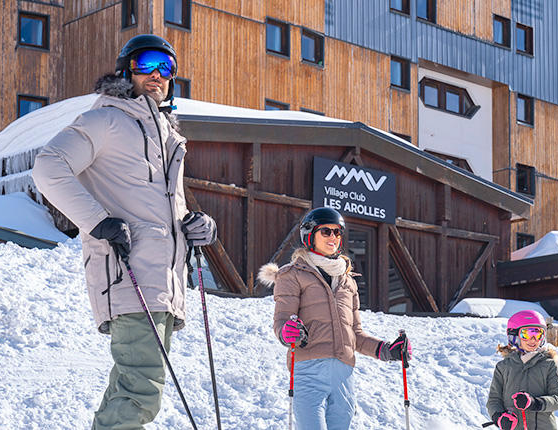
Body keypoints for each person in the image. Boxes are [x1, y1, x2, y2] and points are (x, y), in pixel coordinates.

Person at [32, 34, 217, 430]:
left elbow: (168, 207)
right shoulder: (106, 119)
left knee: (129, 388)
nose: (156, 74)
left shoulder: (168, 137)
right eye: (147, 62)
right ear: (126, 69)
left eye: (166, 67)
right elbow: (48, 166)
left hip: (164, 284)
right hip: (128, 272)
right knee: (140, 393)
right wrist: (97, 220)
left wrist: (195, 224)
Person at [258, 207, 410, 430]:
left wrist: (387, 350)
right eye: (326, 231)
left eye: (337, 232)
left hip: (343, 376)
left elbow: (355, 335)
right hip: (308, 371)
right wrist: (287, 332)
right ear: (309, 234)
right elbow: (281, 321)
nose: (333, 237)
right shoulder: (292, 275)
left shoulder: (348, 281)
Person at [486, 310, 558, 430]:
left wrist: (535, 403)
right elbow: (494, 400)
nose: (533, 339)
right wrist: (499, 418)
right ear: (515, 335)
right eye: (527, 334)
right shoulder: (503, 367)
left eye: (538, 334)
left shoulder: (549, 365)